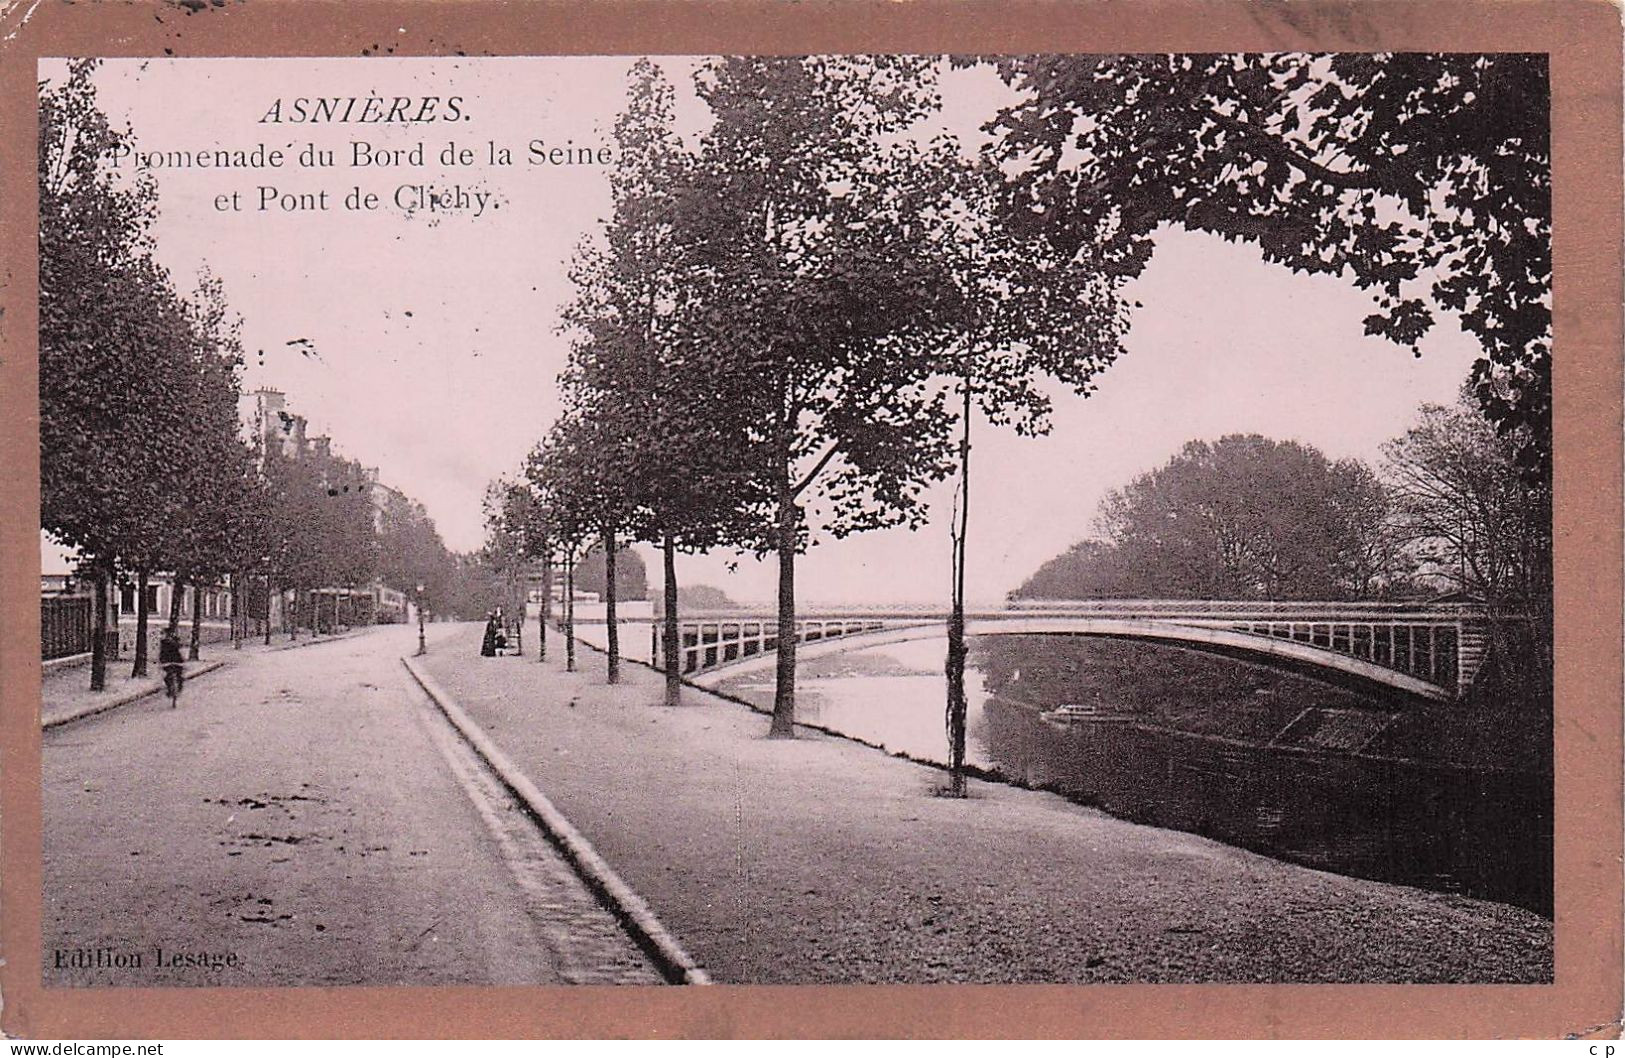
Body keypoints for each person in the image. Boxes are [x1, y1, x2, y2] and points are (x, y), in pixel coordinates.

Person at [159, 626, 185, 706]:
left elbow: (162, 652)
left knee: (169, 676)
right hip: (174, 661)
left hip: (172, 661)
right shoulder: (173, 640)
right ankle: (175, 688)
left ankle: (172, 690)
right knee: (173, 676)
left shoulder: (165, 641)